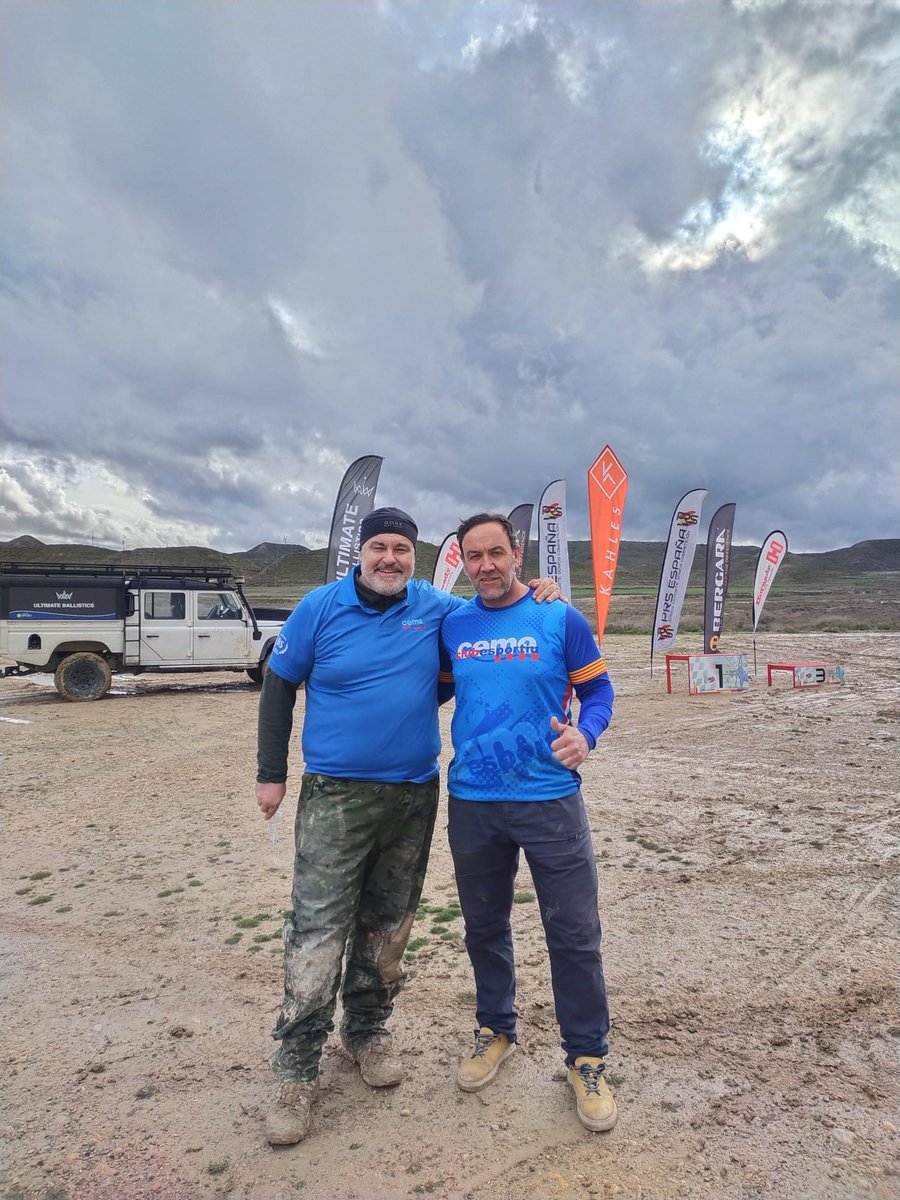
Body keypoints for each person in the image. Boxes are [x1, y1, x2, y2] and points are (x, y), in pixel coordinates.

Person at [255, 506, 559, 1146]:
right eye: (379, 548)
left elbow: (493, 607)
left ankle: (366, 1031)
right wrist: (271, 772)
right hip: (336, 792)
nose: (389, 558)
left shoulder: (435, 606)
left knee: (389, 922)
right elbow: (279, 685)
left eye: (401, 549)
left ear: (415, 557)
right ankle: (295, 1068)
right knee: (318, 927)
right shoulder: (319, 607)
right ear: (359, 553)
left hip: (414, 791)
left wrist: (540, 592)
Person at [438, 512, 618, 1133]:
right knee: (483, 926)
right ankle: (496, 1028)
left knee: (573, 932)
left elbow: (599, 693)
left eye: (496, 552)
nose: (485, 565)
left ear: (517, 553)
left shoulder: (557, 617)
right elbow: (427, 687)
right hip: (474, 802)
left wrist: (585, 736)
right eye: (473, 555)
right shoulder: (452, 624)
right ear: (461, 560)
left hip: (549, 800)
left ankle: (587, 1057)